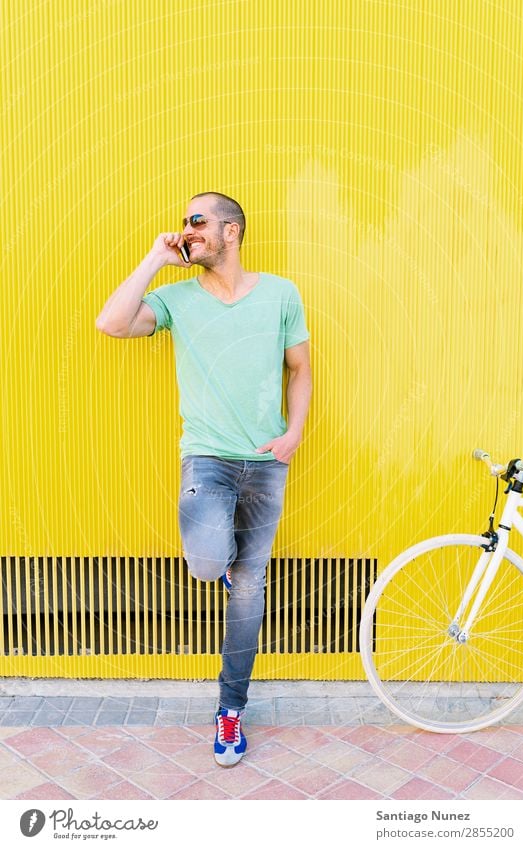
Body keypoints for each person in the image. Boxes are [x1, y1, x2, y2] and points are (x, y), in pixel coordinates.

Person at [96, 191, 312, 766]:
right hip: (207, 459)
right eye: (184, 223)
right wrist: (153, 258)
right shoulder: (176, 298)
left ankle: (230, 709)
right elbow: (111, 323)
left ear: (232, 231)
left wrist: (293, 434)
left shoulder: (281, 294)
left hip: (266, 463)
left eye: (198, 222)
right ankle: (225, 564)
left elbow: (301, 369)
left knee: (249, 587)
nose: (186, 231)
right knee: (208, 563)